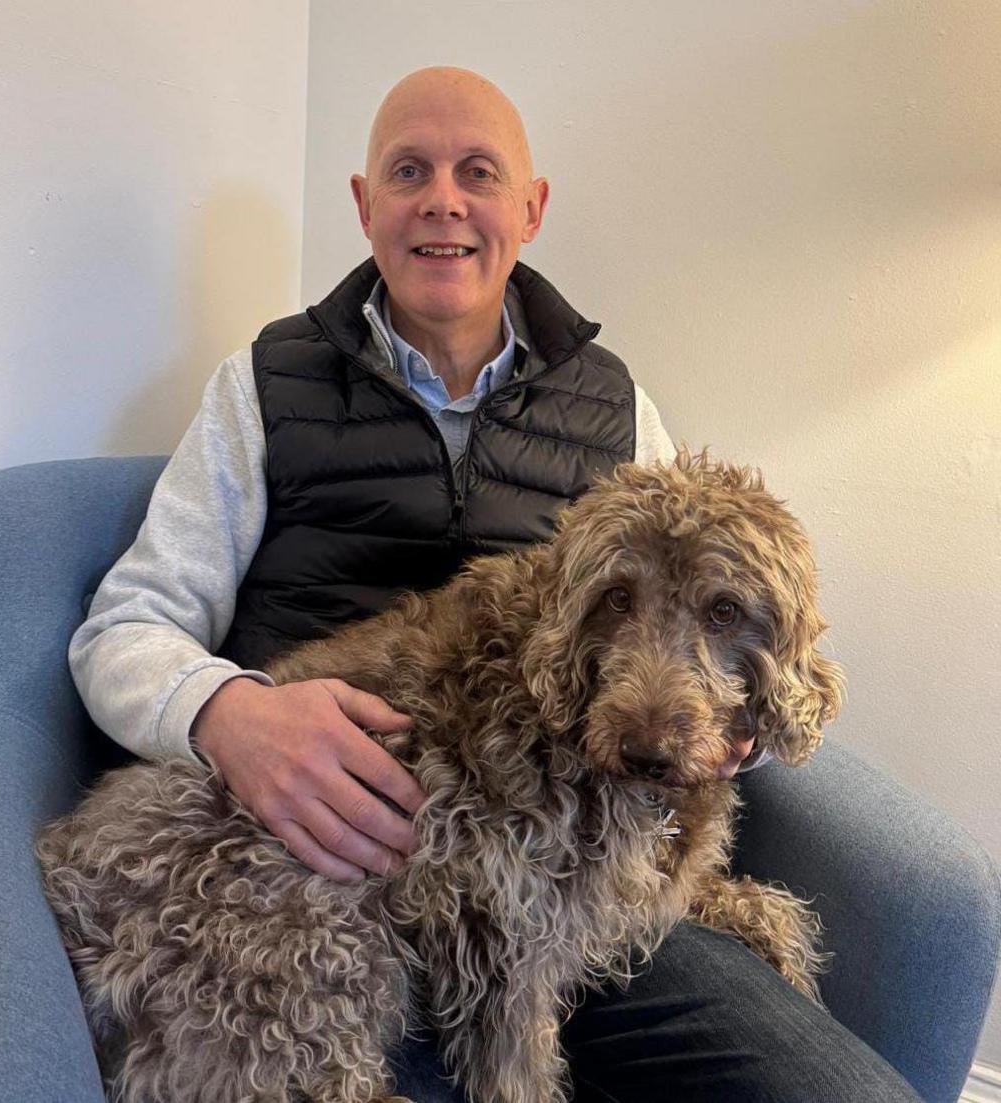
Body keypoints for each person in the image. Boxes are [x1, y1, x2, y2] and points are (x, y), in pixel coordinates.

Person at [71, 66, 922, 1102]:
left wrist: (731, 723)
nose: (443, 200)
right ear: (364, 204)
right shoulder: (266, 383)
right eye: (409, 171)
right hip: (328, 856)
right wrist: (231, 715)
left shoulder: (618, 409)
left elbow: (712, 612)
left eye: (479, 172)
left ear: (530, 207)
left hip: (573, 877)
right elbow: (124, 625)